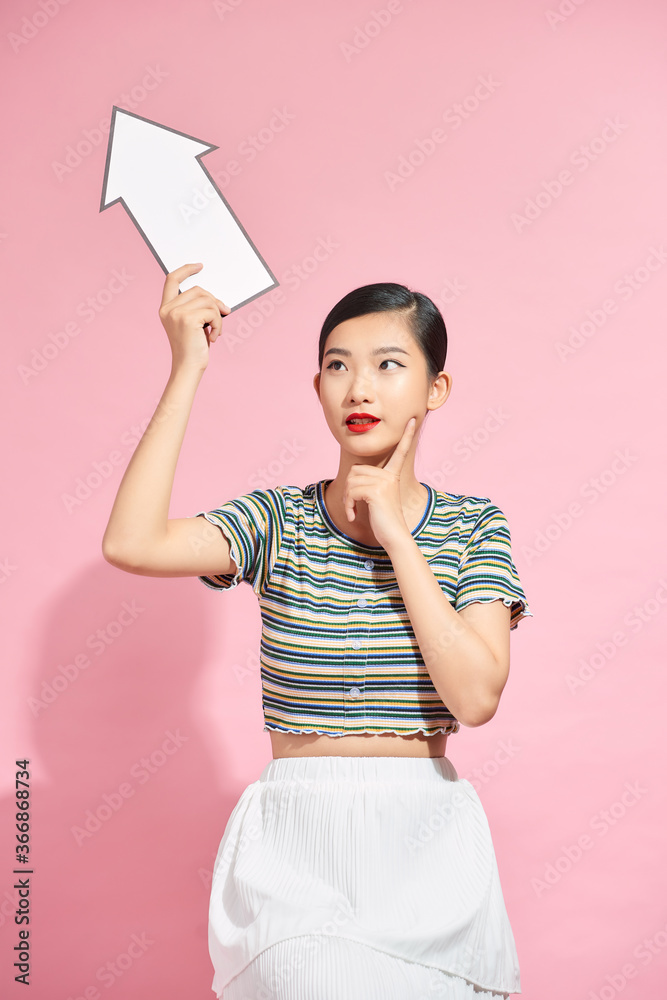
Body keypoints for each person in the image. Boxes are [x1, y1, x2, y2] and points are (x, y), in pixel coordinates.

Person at [102, 262, 533, 999]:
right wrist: (186, 368)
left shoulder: (472, 526)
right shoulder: (278, 520)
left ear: (435, 390)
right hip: (294, 847)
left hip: (428, 847)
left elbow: (474, 697)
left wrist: (398, 538)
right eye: (337, 366)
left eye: (388, 365)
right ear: (317, 388)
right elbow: (132, 544)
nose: (358, 387)